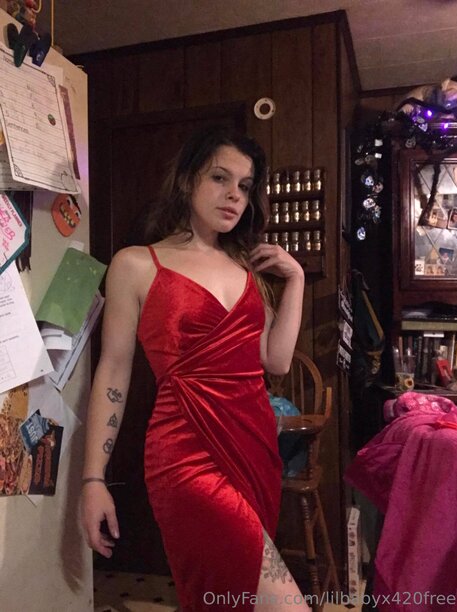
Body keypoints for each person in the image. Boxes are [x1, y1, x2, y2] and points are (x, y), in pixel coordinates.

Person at [80, 125, 310, 611]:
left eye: (245, 186)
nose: (234, 195)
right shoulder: (136, 264)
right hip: (187, 455)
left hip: (254, 448)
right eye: (219, 178)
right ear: (187, 180)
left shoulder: (246, 268)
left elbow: (275, 360)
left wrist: (296, 280)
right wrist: (93, 479)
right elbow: (114, 370)